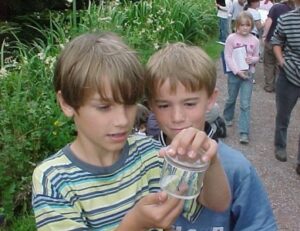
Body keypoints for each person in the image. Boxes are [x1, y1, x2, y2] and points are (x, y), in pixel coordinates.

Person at [31, 32, 231, 230]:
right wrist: (135, 224)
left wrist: (210, 161)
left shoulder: (151, 153)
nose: (123, 120)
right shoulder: (53, 180)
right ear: (66, 103)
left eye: (129, 104)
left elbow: (217, 204)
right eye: (104, 107)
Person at [145, 42, 277, 230]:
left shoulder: (236, 168)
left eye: (190, 104)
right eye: (164, 105)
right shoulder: (140, 162)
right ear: (151, 105)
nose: (177, 117)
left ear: (211, 100)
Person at [271, 1, 300, 175]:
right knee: (283, 115)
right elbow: (276, 41)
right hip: (289, 73)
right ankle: (280, 145)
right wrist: (281, 61)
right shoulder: (287, 19)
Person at [223, 11, 260, 144]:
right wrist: (237, 71)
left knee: (245, 103)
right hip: (235, 74)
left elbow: (257, 56)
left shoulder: (255, 40)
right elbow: (228, 56)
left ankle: (244, 132)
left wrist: (253, 59)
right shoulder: (231, 38)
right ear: (237, 25)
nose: (245, 28)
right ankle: (227, 117)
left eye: (248, 25)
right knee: (231, 98)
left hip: (248, 75)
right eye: (242, 25)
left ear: (251, 26)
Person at [261, 0, 295, 92]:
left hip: (271, 40)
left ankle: (269, 86)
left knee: (268, 64)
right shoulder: (294, 11)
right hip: (284, 44)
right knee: (279, 64)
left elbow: (269, 21)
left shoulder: (276, 7)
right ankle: (278, 86)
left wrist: (264, 35)